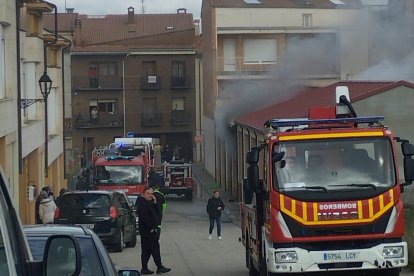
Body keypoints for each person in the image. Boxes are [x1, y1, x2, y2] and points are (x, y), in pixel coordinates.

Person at [135, 188, 171, 275]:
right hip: (147, 231)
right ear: (143, 194)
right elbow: (145, 218)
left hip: (150, 230)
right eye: (148, 194)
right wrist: (151, 228)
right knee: (154, 249)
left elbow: (158, 213)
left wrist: (155, 203)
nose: (150, 196)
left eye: (151, 194)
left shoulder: (149, 203)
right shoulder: (142, 204)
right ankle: (159, 267)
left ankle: (145, 268)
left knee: (148, 250)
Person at [149, 175, 166, 239]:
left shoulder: (151, 195)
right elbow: (164, 205)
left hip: (152, 212)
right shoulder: (161, 195)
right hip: (159, 212)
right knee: (158, 225)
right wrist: (162, 211)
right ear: (158, 188)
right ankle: (157, 236)